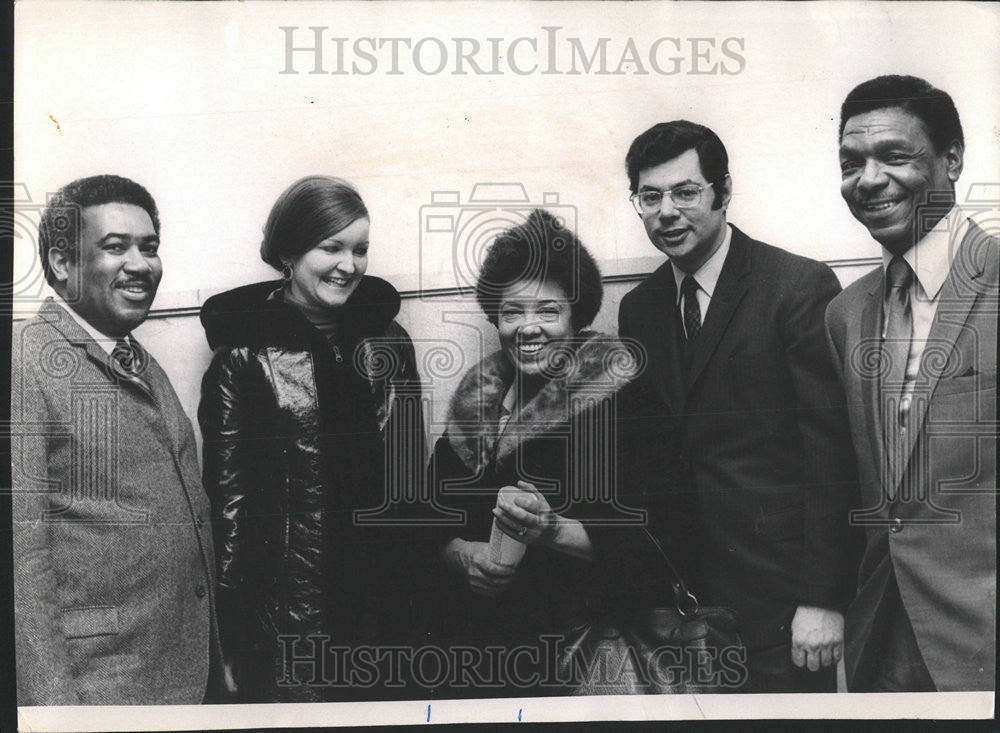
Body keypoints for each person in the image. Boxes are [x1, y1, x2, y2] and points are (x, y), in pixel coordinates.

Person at [618, 121, 858, 693]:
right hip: (684, 607)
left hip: (781, 603)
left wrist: (822, 600)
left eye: (685, 192)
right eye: (649, 197)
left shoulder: (797, 287)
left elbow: (832, 456)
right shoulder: (640, 308)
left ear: (723, 192)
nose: (666, 212)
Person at [197, 175, 425, 702]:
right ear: (289, 252)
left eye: (361, 249)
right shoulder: (242, 356)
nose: (350, 265)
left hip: (384, 595)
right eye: (332, 247)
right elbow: (229, 505)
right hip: (292, 607)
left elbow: (412, 475)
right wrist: (228, 635)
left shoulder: (389, 340)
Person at [11, 175, 220, 705]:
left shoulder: (140, 361)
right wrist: (56, 713)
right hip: (99, 691)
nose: (140, 264)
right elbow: (20, 563)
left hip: (181, 677)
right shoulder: (24, 363)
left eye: (149, 248)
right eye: (115, 246)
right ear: (62, 263)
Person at [422, 208, 645, 698]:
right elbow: (428, 517)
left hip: (580, 661)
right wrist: (462, 554)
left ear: (576, 314)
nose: (528, 328)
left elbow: (661, 538)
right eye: (511, 312)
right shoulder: (476, 403)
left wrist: (552, 531)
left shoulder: (624, 397)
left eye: (548, 311)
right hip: (480, 660)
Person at [826, 75, 997, 692]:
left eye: (894, 155)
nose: (868, 180)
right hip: (881, 645)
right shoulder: (845, 314)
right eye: (851, 163)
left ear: (952, 158)